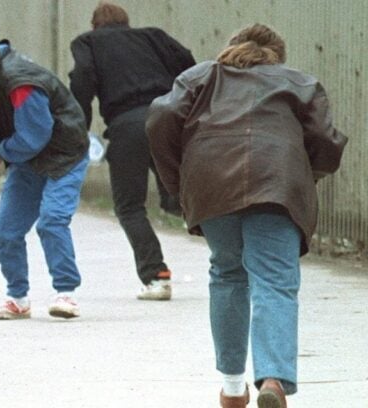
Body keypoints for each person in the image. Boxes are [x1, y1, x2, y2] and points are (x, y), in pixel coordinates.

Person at [146, 24, 347, 408]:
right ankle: (272, 379)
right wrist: (306, 175)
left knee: (227, 275)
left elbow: (161, 115)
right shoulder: (299, 82)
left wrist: (179, 177)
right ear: (276, 56)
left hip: (212, 181)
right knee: (274, 280)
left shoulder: (199, 77)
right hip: (277, 182)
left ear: (232, 49)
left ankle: (233, 387)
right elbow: (325, 139)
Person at [0, 39, 90, 320]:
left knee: (52, 220)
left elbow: (34, 136)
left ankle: (66, 294)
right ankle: (17, 298)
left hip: (64, 156)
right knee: (5, 230)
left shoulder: (22, 84)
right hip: (27, 161)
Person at [68, 2, 195, 301]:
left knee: (129, 206)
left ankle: (156, 276)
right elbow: (189, 64)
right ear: (126, 23)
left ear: (94, 25)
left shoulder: (88, 42)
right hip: (167, 120)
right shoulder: (153, 36)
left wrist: (81, 128)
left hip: (128, 126)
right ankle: (234, 260)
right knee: (179, 198)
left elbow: (82, 79)